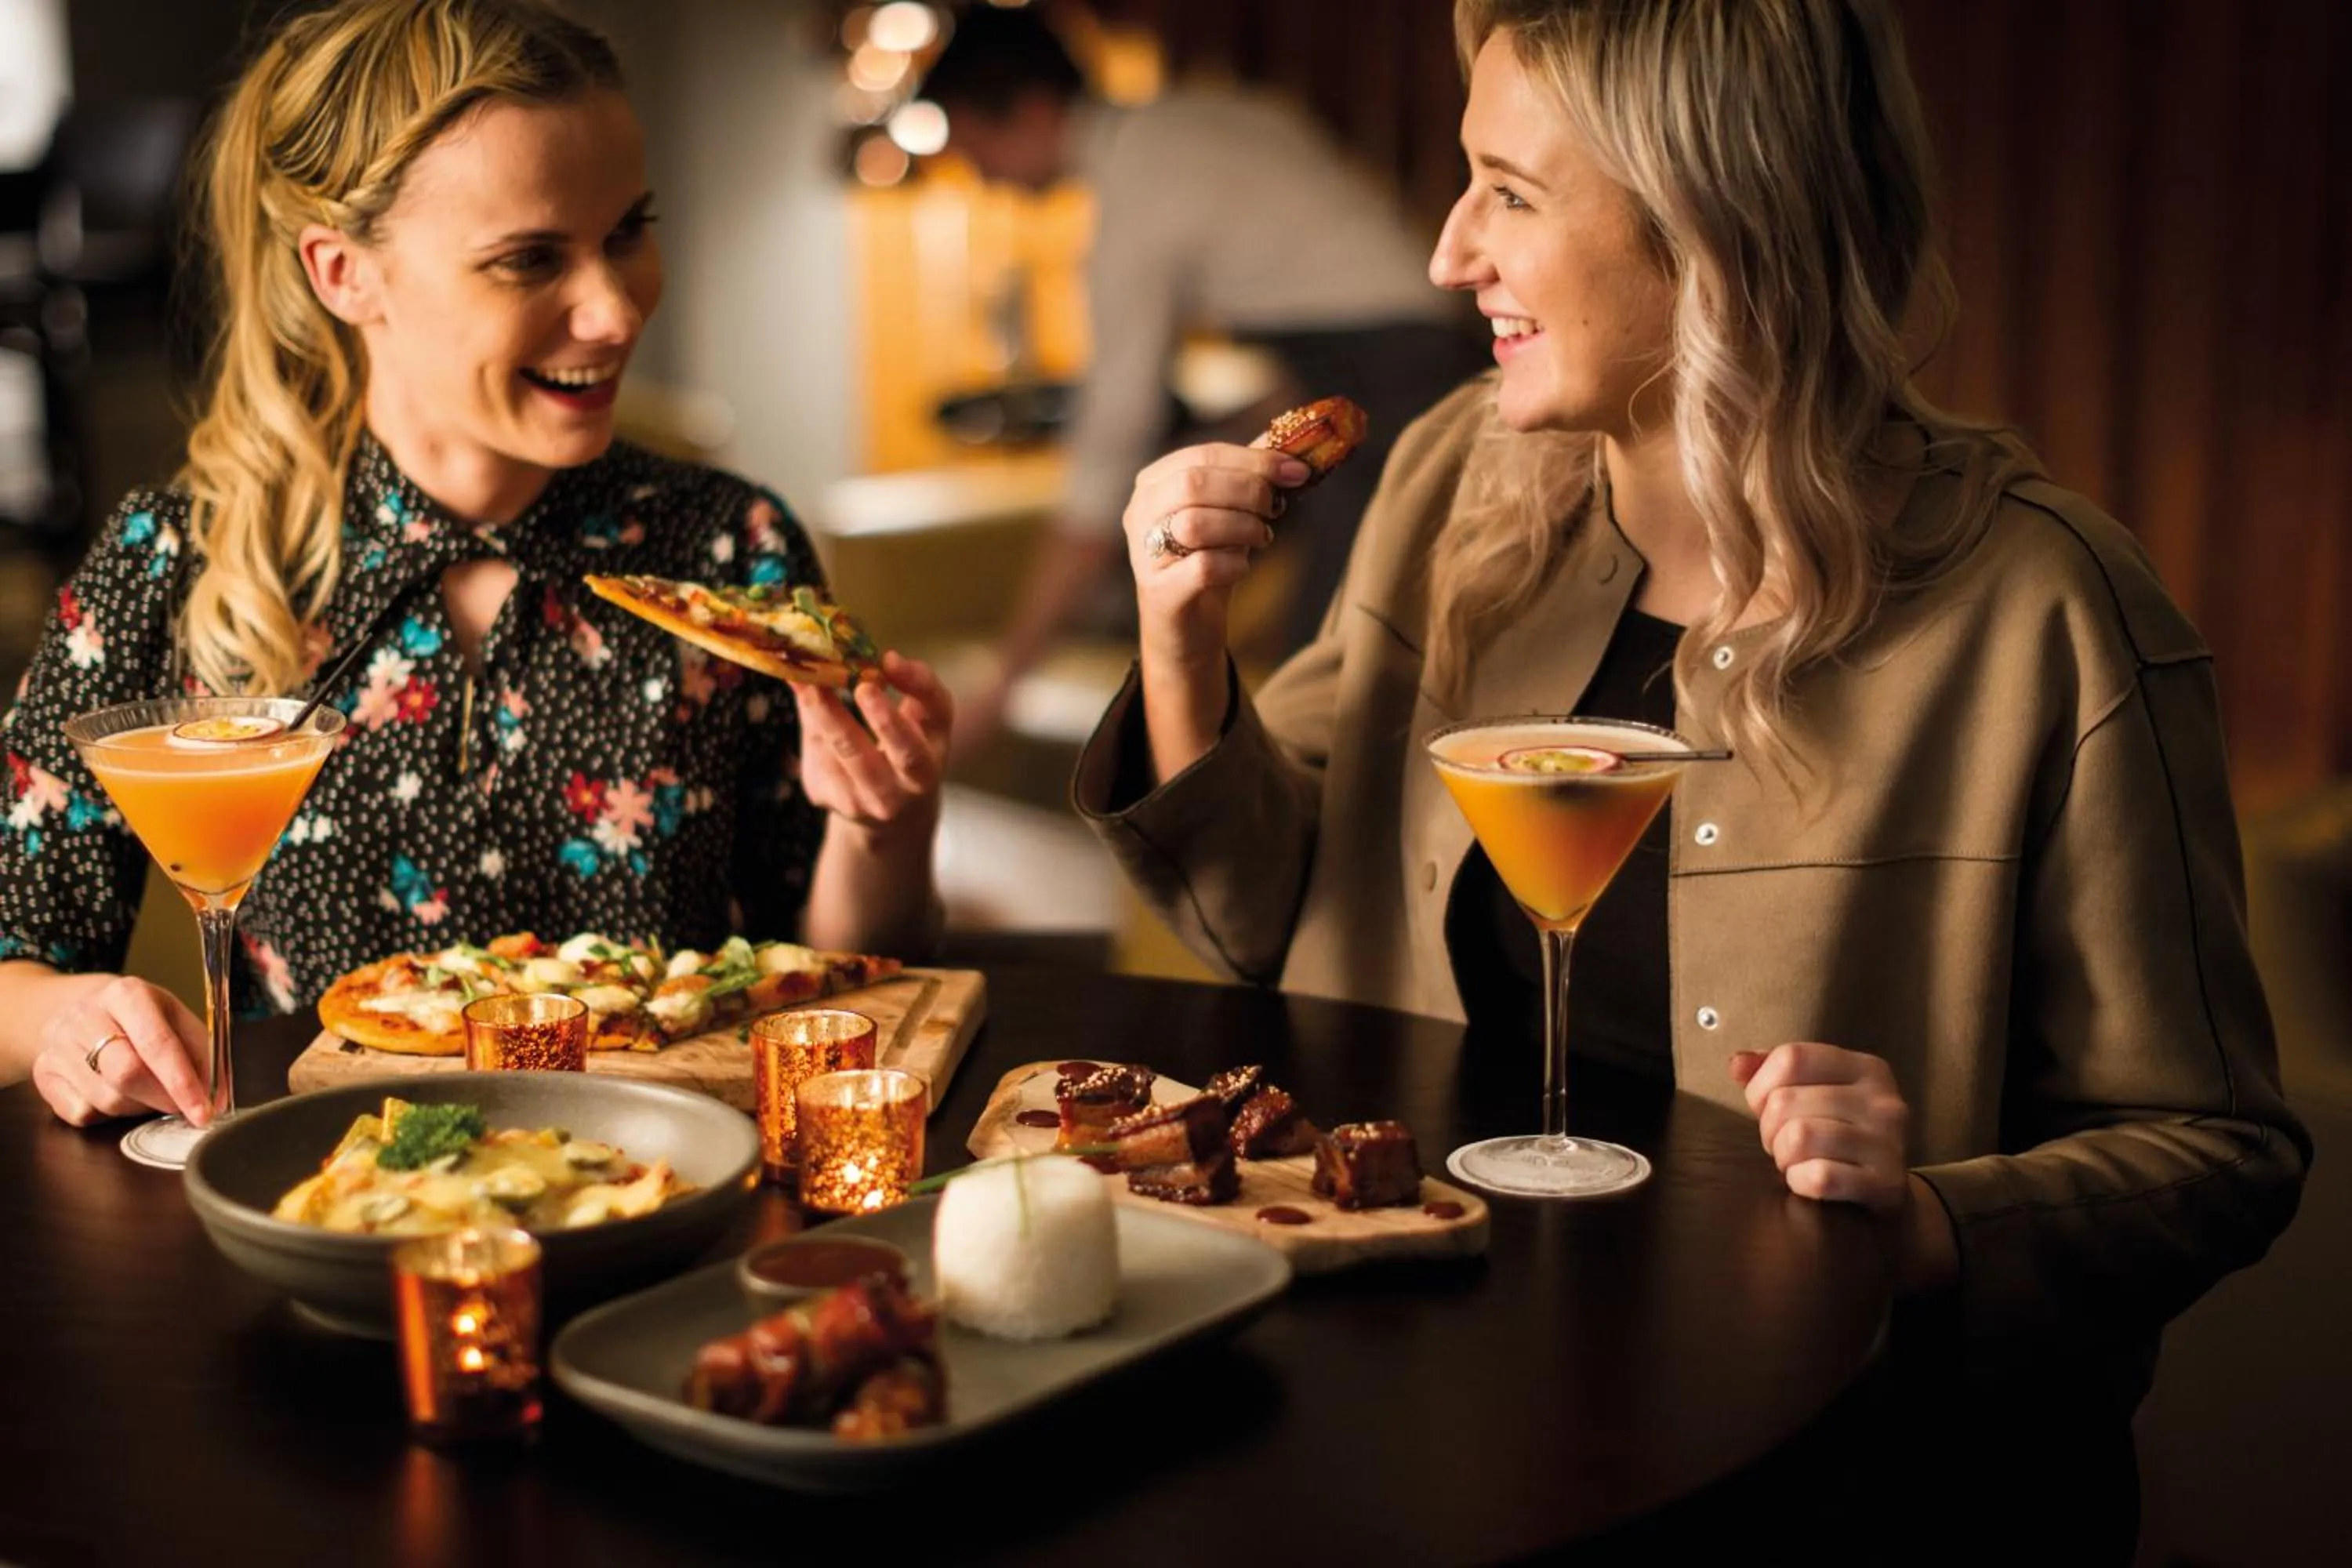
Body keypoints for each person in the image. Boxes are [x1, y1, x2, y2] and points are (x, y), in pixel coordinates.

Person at [1073, 0, 2307, 1552]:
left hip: (1839, 1490)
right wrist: (1181, 639)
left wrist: (1928, 1214)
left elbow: (2217, 1153)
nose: (1451, 253)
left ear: (1712, 223)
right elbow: (1256, 915)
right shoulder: (1448, 477)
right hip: (1430, 1416)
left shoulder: (2050, 609)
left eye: (1510, 193)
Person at [0, 0, 953, 1127]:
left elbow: (839, 983)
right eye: (529, 259)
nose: (615, 311)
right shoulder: (173, 563)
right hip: (337, 1191)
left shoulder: (729, 553)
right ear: (344, 274)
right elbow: (14, 958)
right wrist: (73, 1022)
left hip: (670, 1187)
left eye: (628, 231)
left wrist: (883, 825)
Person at [920, 6, 1486, 750]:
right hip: (1427, 359)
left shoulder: (1138, 194)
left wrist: (1003, 681)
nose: (983, 176)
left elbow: (1109, 443)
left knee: (1324, 687)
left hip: (1398, 395)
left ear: (1031, 110)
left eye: (977, 149)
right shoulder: (1199, 118)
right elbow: (1338, 294)